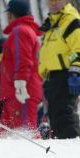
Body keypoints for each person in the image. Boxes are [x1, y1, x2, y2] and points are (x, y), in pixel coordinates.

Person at [0, 0, 43, 136]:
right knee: (9, 133)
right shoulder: (25, 30)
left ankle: (34, 157)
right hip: (16, 90)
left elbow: (22, 58)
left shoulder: (20, 31)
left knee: (25, 133)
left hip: (21, 91)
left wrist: (21, 82)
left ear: (11, 14)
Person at [38, 0, 80, 139]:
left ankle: (73, 147)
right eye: (50, 0)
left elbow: (78, 47)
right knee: (54, 116)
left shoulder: (70, 20)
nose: (53, 3)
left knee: (64, 115)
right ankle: (62, 150)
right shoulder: (51, 22)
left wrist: (75, 70)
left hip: (66, 74)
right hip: (52, 77)